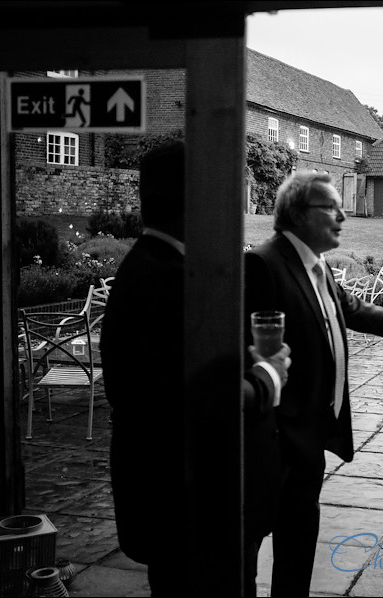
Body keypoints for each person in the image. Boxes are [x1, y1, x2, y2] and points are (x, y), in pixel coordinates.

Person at [101, 140, 291, 595]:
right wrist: (268, 375)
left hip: (183, 507)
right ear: (197, 201)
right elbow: (202, 397)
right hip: (191, 510)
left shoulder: (160, 266)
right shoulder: (167, 280)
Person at [243, 170, 383, 595]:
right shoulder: (263, 264)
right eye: (331, 207)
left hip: (310, 435)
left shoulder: (317, 264)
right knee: (248, 548)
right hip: (273, 440)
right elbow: (245, 353)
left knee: (298, 546)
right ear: (298, 214)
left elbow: (352, 308)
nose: (342, 216)